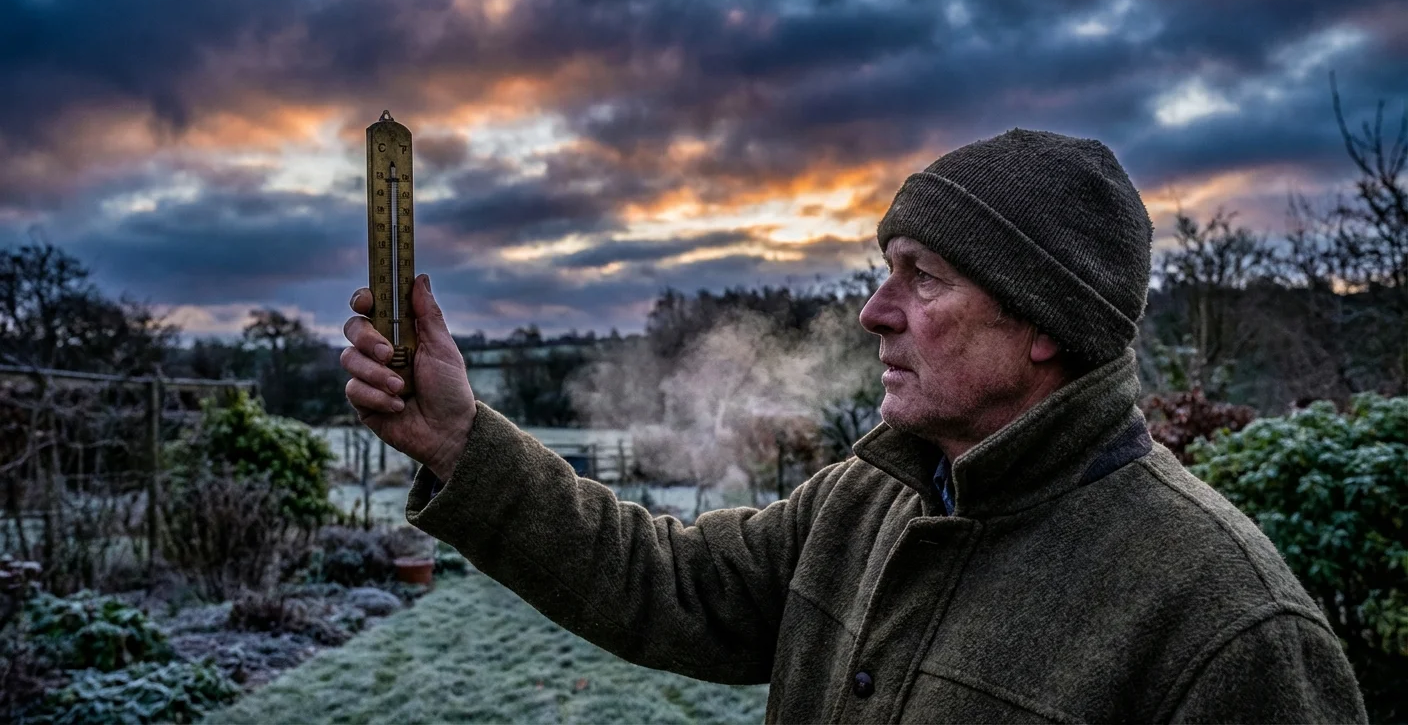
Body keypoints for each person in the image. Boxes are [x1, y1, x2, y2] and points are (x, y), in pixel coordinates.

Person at [342, 128, 1367, 723]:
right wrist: (458, 441)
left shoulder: (1232, 631)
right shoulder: (870, 496)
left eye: (922, 278)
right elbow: (665, 580)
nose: (874, 312)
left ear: (1043, 323)